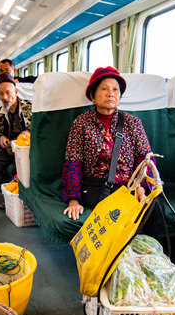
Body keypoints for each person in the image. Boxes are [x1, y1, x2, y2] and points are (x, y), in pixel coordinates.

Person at [62, 67, 157, 223]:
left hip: (129, 187)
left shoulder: (133, 122)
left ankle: (142, 248)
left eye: (115, 90)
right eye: (104, 88)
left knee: (154, 208)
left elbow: (146, 158)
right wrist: (74, 201)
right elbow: (73, 163)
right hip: (97, 189)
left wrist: (141, 187)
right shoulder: (81, 123)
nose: (111, 93)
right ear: (93, 95)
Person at [0, 73, 32, 207]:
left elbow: (39, 127)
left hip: (26, 149)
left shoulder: (29, 107)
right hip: (10, 148)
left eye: (8, 93)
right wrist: (1, 137)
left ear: (15, 92)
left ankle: (21, 198)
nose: (5, 97)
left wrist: (28, 131)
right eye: (1, 94)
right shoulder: (0, 112)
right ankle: (8, 193)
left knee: (18, 168)